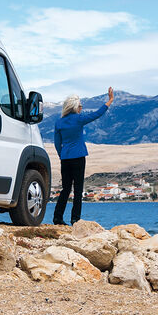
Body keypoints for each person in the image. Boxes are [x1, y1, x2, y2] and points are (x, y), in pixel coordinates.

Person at [52, 87, 113, 226]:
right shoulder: (79, 119)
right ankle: (75, 219)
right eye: (80, 105)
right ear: (75, 107)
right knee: (78, 189)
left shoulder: (59, 122)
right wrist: (109, 101)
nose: (81, 108)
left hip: (65, 159)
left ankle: (57, 217)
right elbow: (97, 114)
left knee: (65, 189)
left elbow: (57, 143)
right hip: (78, 157)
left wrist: (62, 156)